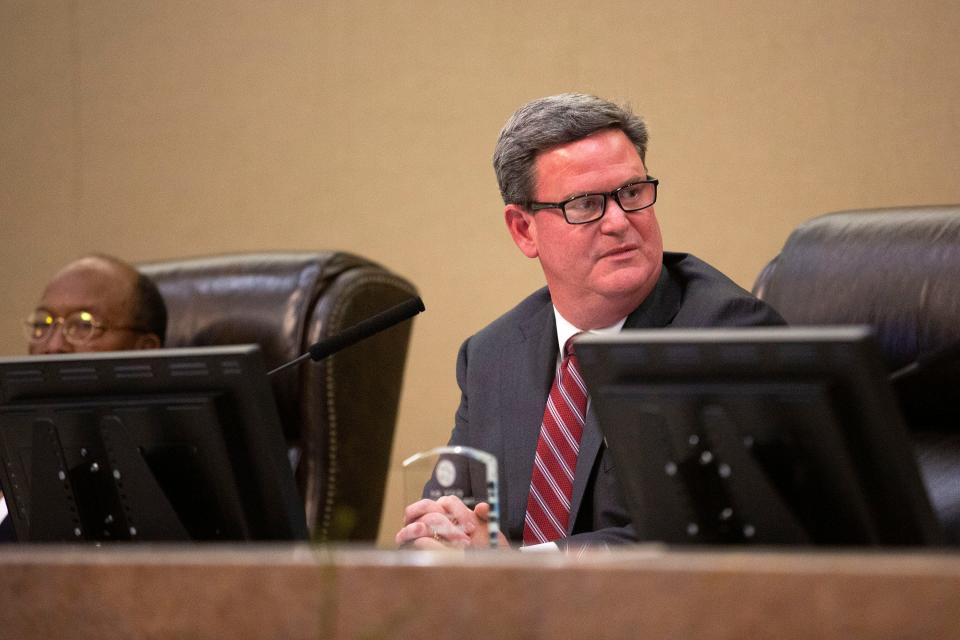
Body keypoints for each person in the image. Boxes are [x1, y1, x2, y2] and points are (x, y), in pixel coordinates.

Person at [395, 93, 784, 551]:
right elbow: (455, 521)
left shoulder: (722, 335)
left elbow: (701, 540)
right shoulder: (491, 355)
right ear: (524, 230)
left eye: (632, 193)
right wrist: (439, 536)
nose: (619, 221)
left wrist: (516, 567)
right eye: (584, 204)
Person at [0, 254, 167, 541]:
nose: (52, 346)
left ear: (145, 350)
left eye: (83, 325)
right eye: (44, 323)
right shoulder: (11, 440)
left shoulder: (163, 468)